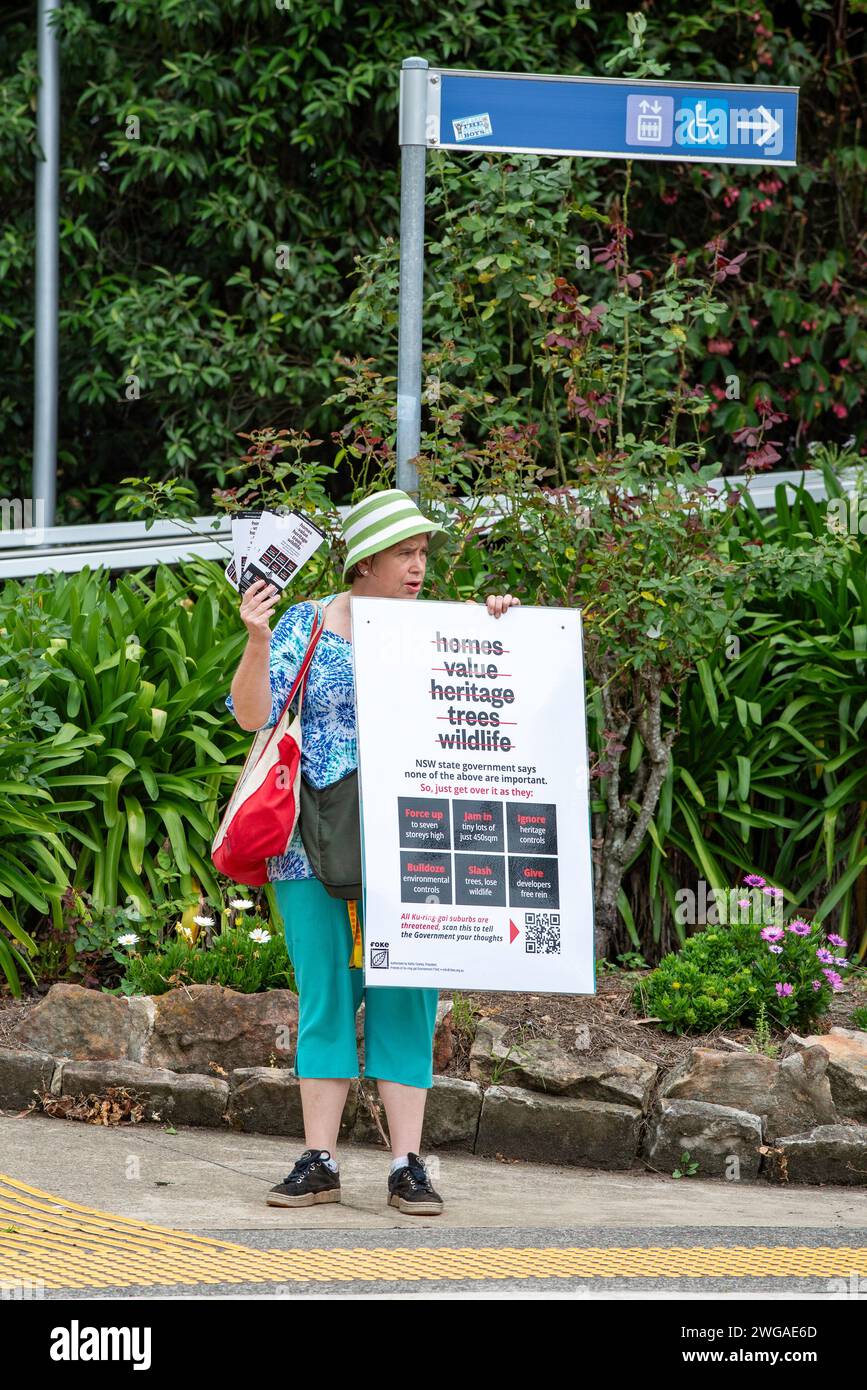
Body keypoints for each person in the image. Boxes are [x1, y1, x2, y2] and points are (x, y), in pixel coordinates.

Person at [226, 488, 520, 1215]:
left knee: (407, 994)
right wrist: (258, 639)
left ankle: (406, 1165)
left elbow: (499, 695)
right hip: (308, 839)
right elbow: (251, 717)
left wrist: (507, 632)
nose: (418, 567)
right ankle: (318, 1159)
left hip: (414, 838)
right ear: (363, 562)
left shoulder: (444, 630)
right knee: (325, 992)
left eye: (423, 554)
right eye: (403, 554)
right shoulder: (305, 623)